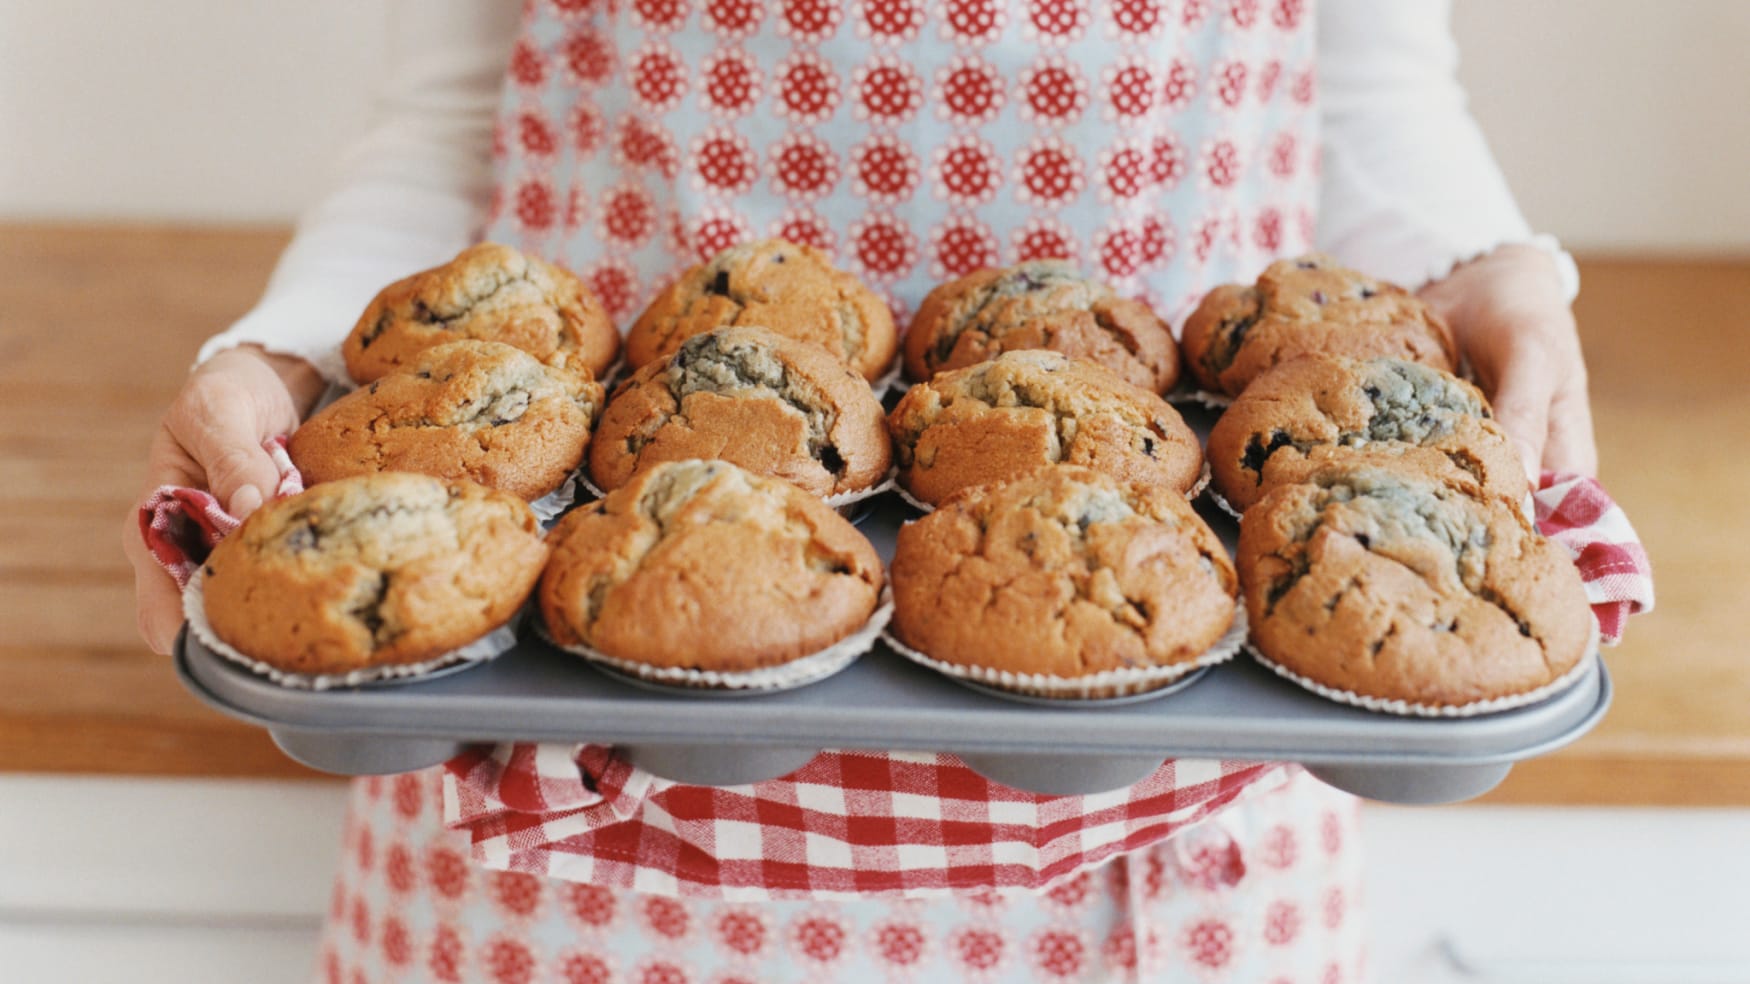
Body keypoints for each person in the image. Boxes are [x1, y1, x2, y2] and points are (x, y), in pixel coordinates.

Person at [123, 0, 1597, 980]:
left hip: (1168, 783)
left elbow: (1370, 89)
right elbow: (443, 125)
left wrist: (1494, 272)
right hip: (562, 783)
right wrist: (283, 357)